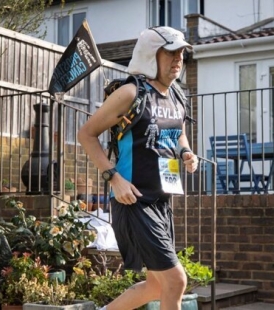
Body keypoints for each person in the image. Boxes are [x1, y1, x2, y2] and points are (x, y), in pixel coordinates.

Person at [78, 26, 198, 310]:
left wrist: (186, 152)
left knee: (157, 285)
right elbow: (86, 135)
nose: (178, 59)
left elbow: (178, 132)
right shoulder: (130, 93)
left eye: (180, 52)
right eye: (170, 52)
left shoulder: (176, 95)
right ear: (150, 55)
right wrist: (114, 179)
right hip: (132, 200)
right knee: (175, 281)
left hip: (161, 200)